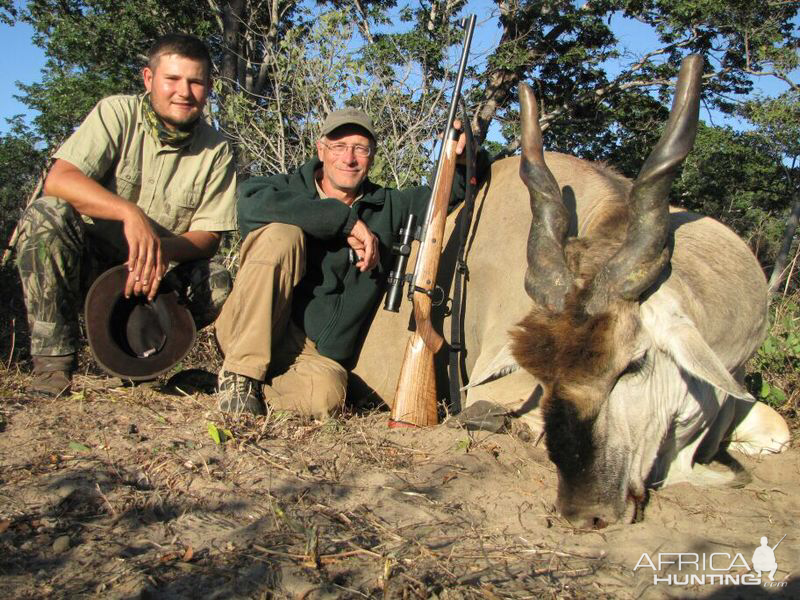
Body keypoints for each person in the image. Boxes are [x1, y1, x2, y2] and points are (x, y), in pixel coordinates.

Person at [215, 108, 486, 418]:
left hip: (310, 357)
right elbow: (248, 203)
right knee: (281, 235)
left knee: (328, 396)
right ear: (321, 149)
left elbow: (454, 192)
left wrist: (466, 157)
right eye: (339, 147)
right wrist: (344, 222)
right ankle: (240, 375)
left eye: (360, 148)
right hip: (253, 323)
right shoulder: (287, 187)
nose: (349, 158)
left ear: (372, 156)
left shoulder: (391, 205)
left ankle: (252, 388)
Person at [16, 33, 237, 396]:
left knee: (217, 281)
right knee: (46, 215)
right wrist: (129, 214)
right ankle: (52, 364)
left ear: (209, 86)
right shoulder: (116, 112)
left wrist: (156, 251)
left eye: (196, 82)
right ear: (149, 79)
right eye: (173, 79)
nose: (184, 92)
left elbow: (208, 238)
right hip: (86, 265)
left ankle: (136, 360)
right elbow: (59, 180)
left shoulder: (217, 149)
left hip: (148, 282)